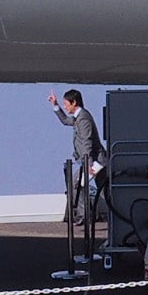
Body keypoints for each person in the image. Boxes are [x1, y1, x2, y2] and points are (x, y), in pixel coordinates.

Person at [49, 88, 102, 224]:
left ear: (74, 103)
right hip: (91, 160)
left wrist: (88, 163)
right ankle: (84, 216)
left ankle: (85, 216)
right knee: (78, 185)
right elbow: (66, 121)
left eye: (66, 104)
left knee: (77, 184)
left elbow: (87, 141)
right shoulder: (78, 117)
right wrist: (56, 106)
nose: (66, 107)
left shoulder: (83, 118)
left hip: (96, 162)